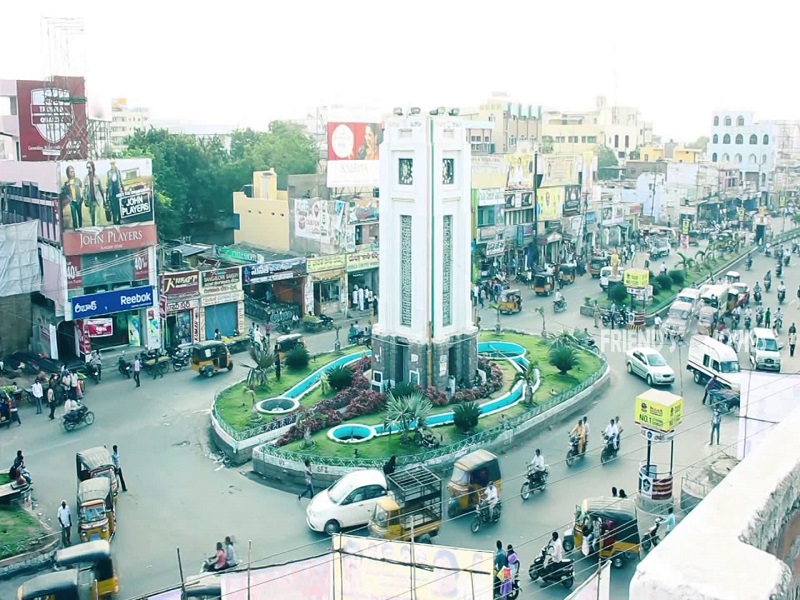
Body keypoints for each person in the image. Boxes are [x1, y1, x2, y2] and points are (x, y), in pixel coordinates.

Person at [60, 165, 84, 230]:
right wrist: (66, 188)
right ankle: (75, 229)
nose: (72, 173)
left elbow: (82, 189)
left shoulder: (78, 180)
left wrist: (82, 198)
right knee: (74, 216)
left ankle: (80, 228)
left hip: (78, 201)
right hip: (72, 202)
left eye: (73, 171)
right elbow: (63, 192)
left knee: (79, 215)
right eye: (71, 172)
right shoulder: (66, 183)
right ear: (68, 173)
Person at [84, 160, 105, 227]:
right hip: (90, 201)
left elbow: (101, 189)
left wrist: (104, 200)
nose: (88, 169)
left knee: (97, 220)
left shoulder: (97, 178)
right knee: (92, 219)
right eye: (87, 167)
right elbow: (84, 191)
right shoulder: (86, 178)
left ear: (93, 167)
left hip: (97, 200)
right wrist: (85, 200)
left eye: (89, 167)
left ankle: (97, 229)